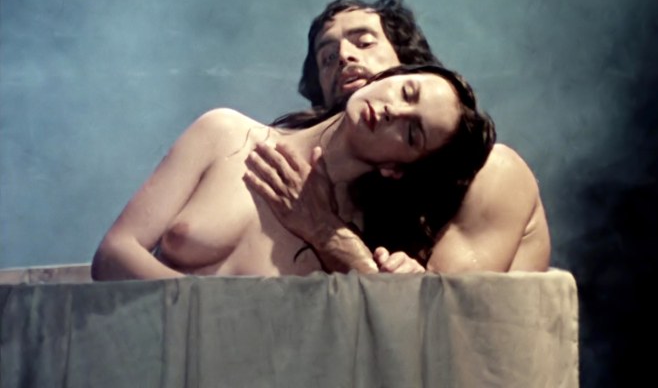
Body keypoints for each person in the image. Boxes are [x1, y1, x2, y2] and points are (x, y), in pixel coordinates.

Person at [91, 64, 494, 280]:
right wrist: (208, 314)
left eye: (411, 132)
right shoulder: (224, 132)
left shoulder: (356, 244)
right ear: (386, 77)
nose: (394, 111)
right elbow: (113, 254)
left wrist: (355, 257)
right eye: (406, 91)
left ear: (396, 169)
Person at [245, 0, 551, 274]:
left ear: (406, 67)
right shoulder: (309, 186)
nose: (344, 56)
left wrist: (328, 233)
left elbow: (443, 309)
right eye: (327, 57)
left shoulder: (492, 170)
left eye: (364, 43)